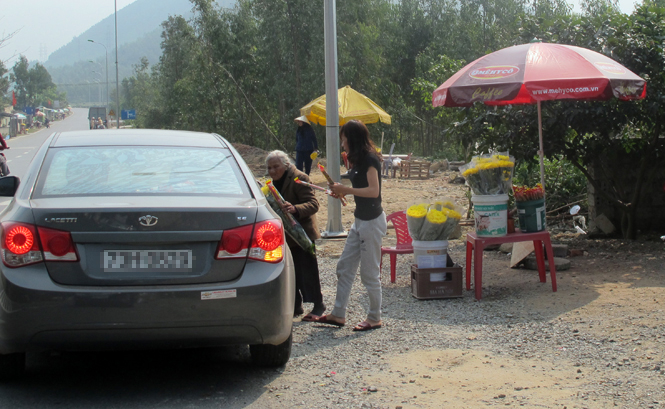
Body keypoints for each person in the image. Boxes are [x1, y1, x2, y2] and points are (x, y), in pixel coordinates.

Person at [316, 120, 387, 331]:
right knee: (344, 267)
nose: (342, 143)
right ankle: (338, 314)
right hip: (359, 221)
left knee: (369, 274)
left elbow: (374, 191)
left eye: (344, 138)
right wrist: (339, 189)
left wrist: (346, 190)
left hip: (372, 223)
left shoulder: (370, 159)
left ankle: (375, 317)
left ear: (352, 138)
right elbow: (357, 186)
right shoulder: (356, 161)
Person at [265, 150, 326, 319]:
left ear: (286, 165)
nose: (272, 171)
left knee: (307, 270)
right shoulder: (271, 183)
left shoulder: (299, 178)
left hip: (303, 234)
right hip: (285, 235)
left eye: (276, 167)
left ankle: (318, 305)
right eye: (269, 168)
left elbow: (313, 204)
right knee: (289, 272)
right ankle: (295, 305)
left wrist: (295, 209)